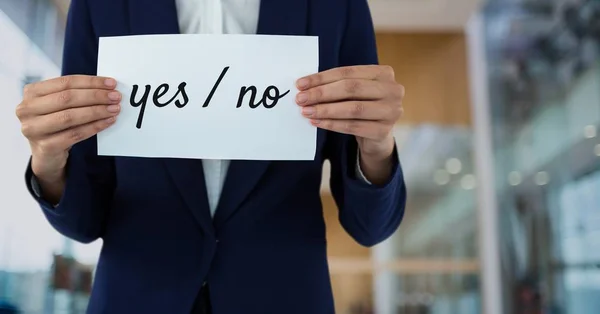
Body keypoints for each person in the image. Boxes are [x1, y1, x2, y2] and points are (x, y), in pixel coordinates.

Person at [15, 0, 407, 313]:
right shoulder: (101, 4)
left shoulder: (337, 5)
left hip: (283, 295)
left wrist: (376, 146)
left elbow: (368, 225)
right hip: (137, 295)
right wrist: (48, 164)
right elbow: (83, 220)